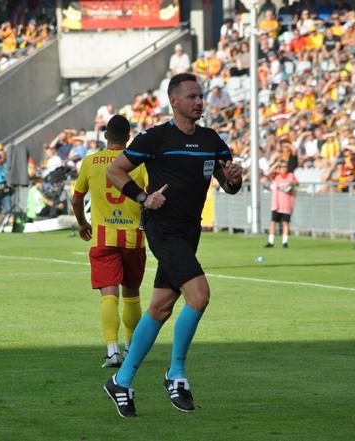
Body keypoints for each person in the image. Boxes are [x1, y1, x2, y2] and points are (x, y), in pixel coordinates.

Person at [103, 73, 243, 417]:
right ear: (174, 101)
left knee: (161, 308)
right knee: (200, 295)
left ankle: (121, 380)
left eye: (201, 96)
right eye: (192, 96)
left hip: (188, 231)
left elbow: (228, 185)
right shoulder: (155, 137)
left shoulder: (212, 140)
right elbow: (116, 172)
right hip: (162, 228)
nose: (199, 101)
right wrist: (142, 197)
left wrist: (235, 180)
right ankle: (176, 374)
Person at [71, 115, 146, 369]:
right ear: (129, 137)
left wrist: (83, 223)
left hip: (103, 236)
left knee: (109, 295)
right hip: (133, 236)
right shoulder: (140, 164)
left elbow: (76, 198)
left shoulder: (90, 162)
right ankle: (132, 348)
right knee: (132, 294)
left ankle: (112, 351)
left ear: (105, 136)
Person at [265, 159, 298, 248]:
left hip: (287, 204)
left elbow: (296, 183)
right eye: (282, 167)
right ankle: (270, 241)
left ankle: (285, 242)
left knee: (285, 223)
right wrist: (276, 163)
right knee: (273, 222)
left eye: (285, 167)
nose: (284, 168)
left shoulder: (291, 176)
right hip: (277, 204)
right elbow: (268, 174)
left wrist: (291, 184)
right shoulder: (277, 176)